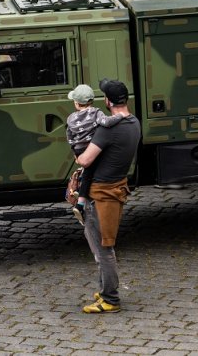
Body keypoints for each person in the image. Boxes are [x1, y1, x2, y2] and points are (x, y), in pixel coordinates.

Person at [75, 79, 141, 314]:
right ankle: (104, 287)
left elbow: (85, 160)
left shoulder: (108, 129)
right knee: (103, 243)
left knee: (104, 248)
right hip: (116, 189)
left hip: (101, 195)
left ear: (108, 101)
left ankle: (110, 298)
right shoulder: (134, 123)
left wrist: (77, 152)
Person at [65, 83, 112, 222]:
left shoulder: (71, 118)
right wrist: (120, 117)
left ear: (76, 103)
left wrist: (75, 152)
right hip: (92, 148)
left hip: (79, 150)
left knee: (86, 172)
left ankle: (77, 191)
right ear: (91, 101)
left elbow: (70, 137)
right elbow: (106, 123)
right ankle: (80, 204)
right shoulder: (96, 112)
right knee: (90, 174)